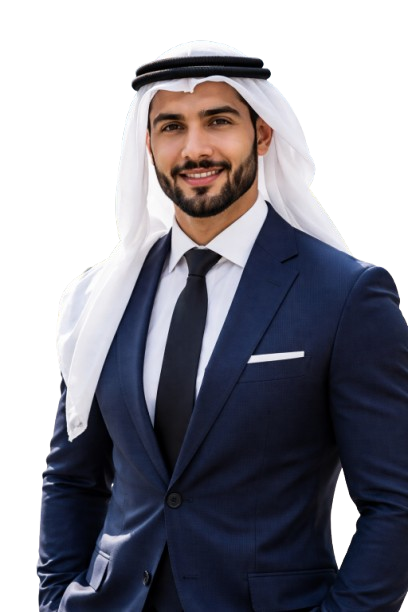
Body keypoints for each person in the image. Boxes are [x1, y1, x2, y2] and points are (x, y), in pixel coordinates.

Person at [37, 40, 408, 611]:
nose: (195, 149)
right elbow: (71, 478)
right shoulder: (100, 295)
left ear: (262, 133)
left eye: (218, 121)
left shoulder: (345, 295)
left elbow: (396, 502)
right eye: (171, 127)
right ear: (148, 144)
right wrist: (56, 599)